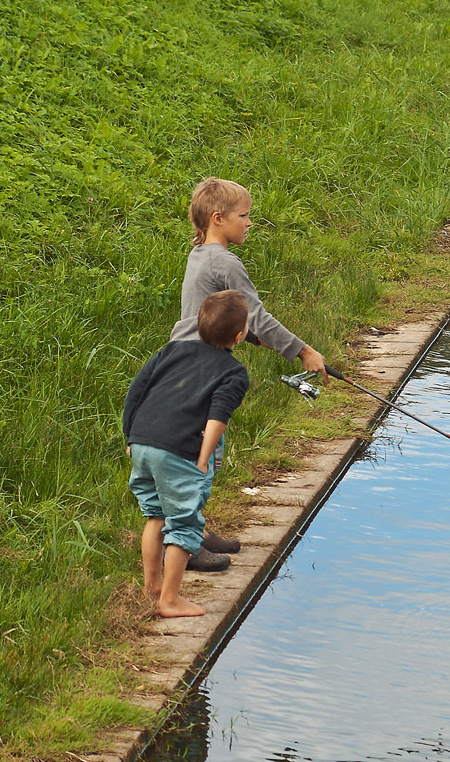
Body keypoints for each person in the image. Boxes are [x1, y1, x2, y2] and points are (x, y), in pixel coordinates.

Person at [171, 176, 328, 571]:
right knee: (203, 450)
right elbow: (256, 315)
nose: (249, 223)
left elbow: (236, 320)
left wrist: (255, 340)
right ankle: (187, 544)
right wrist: (302, 350)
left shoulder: (199, 255)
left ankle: (198, 528)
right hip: (203, 363)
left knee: (204, 444)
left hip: (185, 357)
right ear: (218, 218)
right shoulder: (225, 262)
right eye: (244, 216)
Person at [124, 290, 250, 617]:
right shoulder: (234, 372)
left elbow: (136, 391)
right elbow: (217, 417)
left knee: (155, 516)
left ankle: (152, 588)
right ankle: (169, 600)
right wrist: (204, 458)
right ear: (239, 336)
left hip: (142, 442)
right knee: (184, 523)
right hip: (178, 451)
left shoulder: (172, 350)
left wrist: (130, 436)